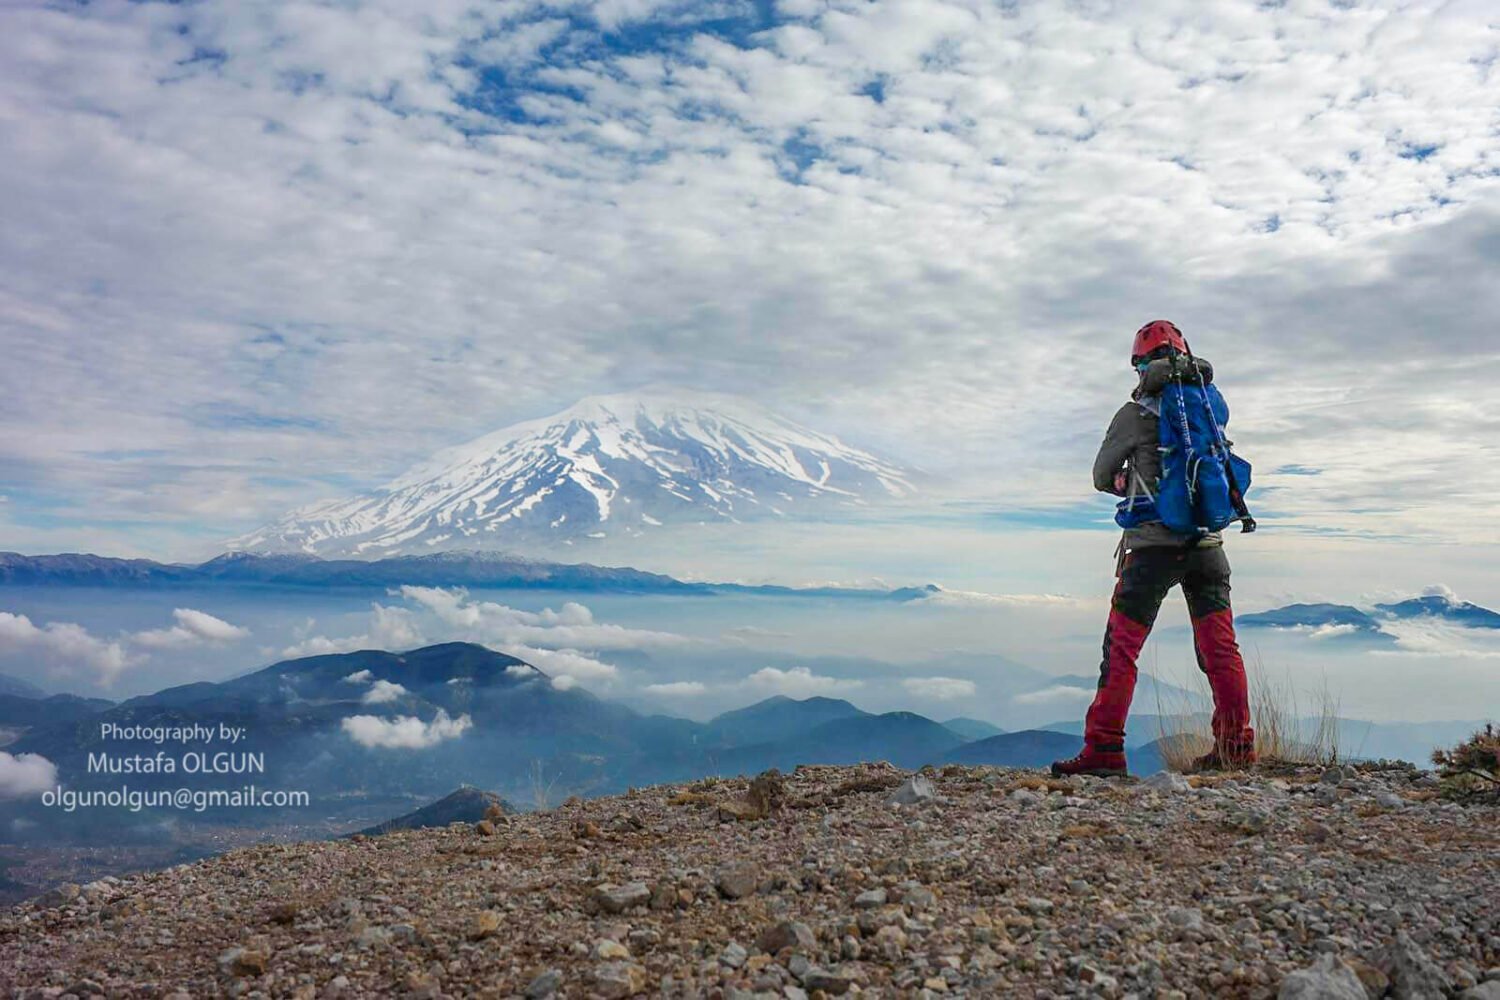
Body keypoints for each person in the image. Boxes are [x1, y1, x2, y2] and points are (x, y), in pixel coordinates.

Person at [1051, 320, 1256, 778]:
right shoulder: (1209, 406)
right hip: (1207, 543)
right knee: (1221, 649)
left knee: (1122, 649)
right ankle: (1236, 747)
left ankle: (1104, 750)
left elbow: (1102, 476)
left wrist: (1127, 480)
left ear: (1142, 364)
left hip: (1151, 547)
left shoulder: (1133, 414)